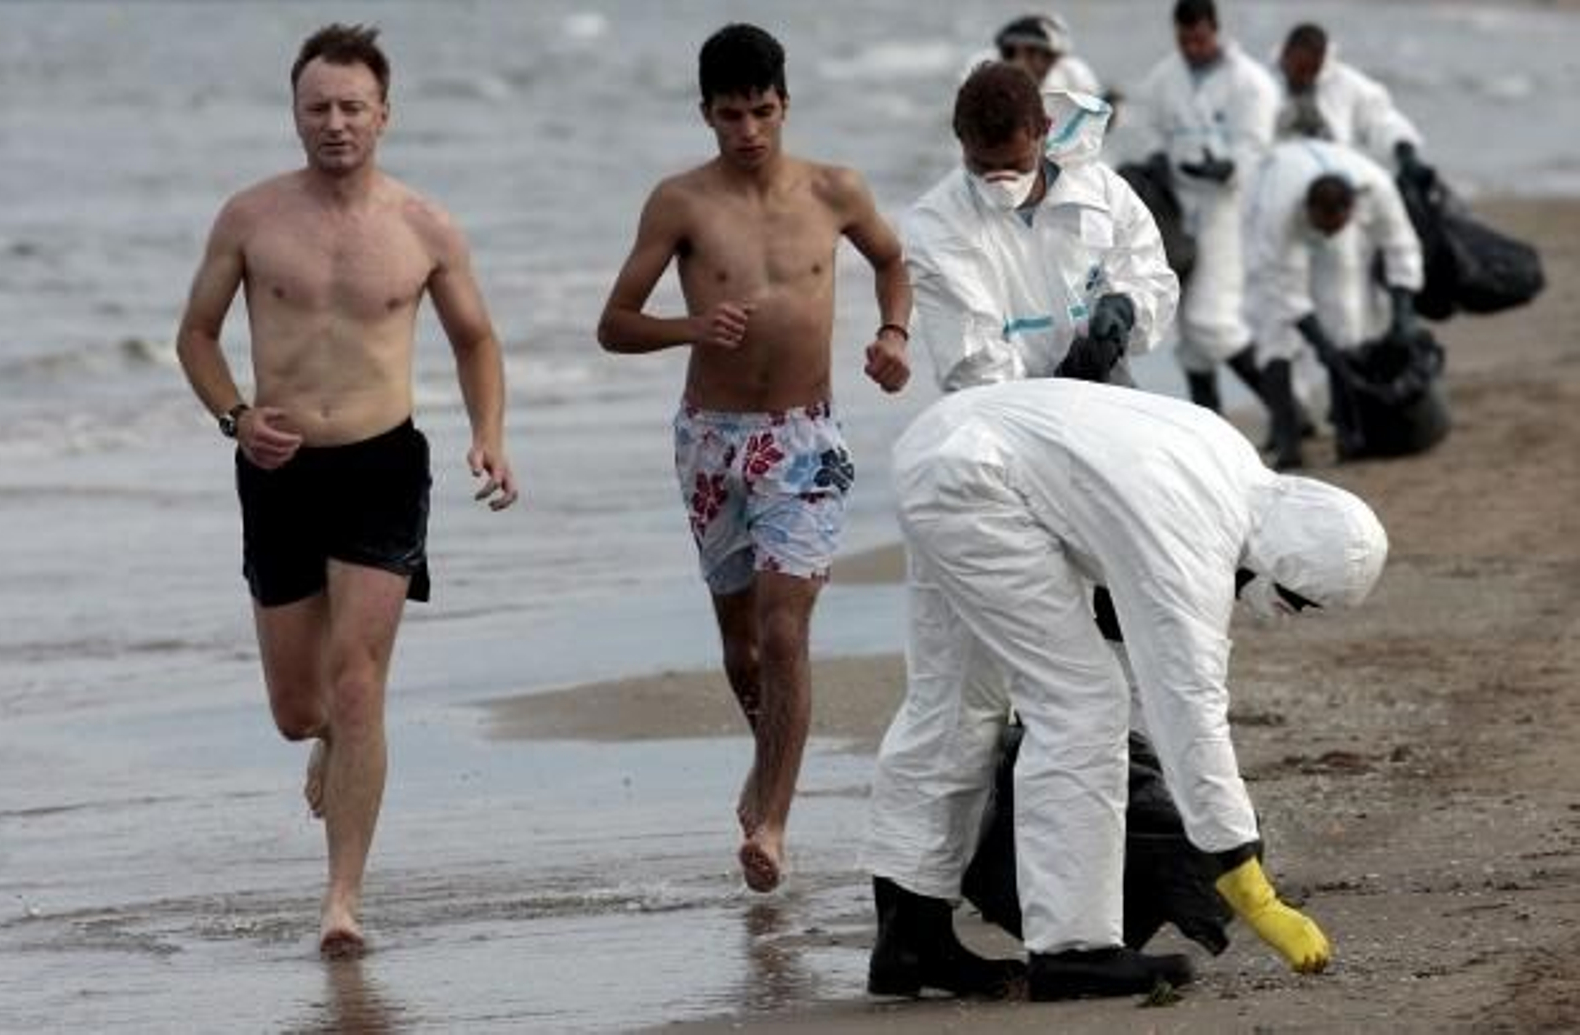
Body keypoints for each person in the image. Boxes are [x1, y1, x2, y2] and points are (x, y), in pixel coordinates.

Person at [863, 377, 1388, 1000]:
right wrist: (1246, 877)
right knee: (1081, 705)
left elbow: (1101, 523)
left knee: (953, 697)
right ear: (1284, 563)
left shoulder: (1228, 462)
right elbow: (1189, 711)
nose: (1289, 614)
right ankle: (1073, 951)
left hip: (941, 443)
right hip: (978, 484)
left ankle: (909, 940)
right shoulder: (1193, 545)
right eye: (1298, 601)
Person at [175, 24, 517, 957]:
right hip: (277, 472)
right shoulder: (249, 218)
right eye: (318, 107)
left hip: (381, 467)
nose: (335, 123)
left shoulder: (424, 227)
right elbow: (196, 337)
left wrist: (488, 435)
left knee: (358, 684)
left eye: (351, 107)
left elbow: (477, 340)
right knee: (301, 709)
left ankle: (341, 900)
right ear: (295, 114)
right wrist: (237, 417)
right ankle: (329, 737)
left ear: (384, 115)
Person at [595, 23, 912, 894]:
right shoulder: (680, 204)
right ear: (705, 113)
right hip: (711, 439)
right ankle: (766, 761)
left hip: (804, 440)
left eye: (762, 111)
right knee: (741, 648)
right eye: (730, 115)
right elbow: (614, 323)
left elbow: (892, 261)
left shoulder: (835, 188)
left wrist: (892, 334)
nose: (748, 131)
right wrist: (690, 327)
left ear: (785, 103)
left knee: (784, 630)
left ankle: (772, 819)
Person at [904, 62, 1178, 394]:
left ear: (1044, 129)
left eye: (1015, 164)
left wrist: (1126, 308)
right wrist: (1061, 385)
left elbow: (1150, 278)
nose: (1001, 181)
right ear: (961, 142)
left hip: (1108, 390)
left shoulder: (1101, 191)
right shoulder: (937, 223)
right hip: (1005, 415)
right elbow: (973, 366)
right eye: (983, 165)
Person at [1128, 0, 1277, 414]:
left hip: (1226, 210)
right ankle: (1214, 426)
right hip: (1176, 209)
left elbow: (1258, 149)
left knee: (1212, 322)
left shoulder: (1250, 83)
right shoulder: (1164, 77)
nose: (1191, 47)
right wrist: (1157, 156)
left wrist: (1229, 167)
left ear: (1216, 30)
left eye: (1199, 38)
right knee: (1191, 335)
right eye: (1184, 39)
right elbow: (1151, 130)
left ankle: (1289, 410)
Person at [1243, 137, 1424, 466]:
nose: (1326, 235)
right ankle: (1288, 443)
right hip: (1267, 187)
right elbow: (1283, 288)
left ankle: (1347, 432)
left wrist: (1403, 318)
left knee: (1344, 318)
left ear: (1352, 210)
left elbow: (1402, 247)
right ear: (1308, 211)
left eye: (1335, 227)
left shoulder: (1378, 189)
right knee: (1273, 329)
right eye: (1320, 227)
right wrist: (1320, 344)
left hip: (1330, 179)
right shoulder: (1276, 210)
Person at [1273, 23, 1432, 186]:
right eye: (1300, 70)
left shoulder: (1345, 83)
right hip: (1279, 176)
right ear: (1286, 55)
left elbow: (1382, 119)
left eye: (1312, 71)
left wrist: (1404, 149)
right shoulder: (1264, 85)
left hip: (1335, 177)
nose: (1306, 79)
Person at [964, 13, 1103, 99]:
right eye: (1047, 56)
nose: (1045, 65)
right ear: (1018, 51)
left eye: (1053, 57)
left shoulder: (1072, 75)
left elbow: (1096, 119)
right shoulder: (982, 73)